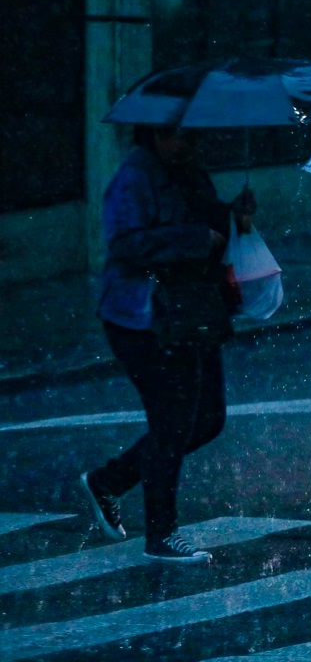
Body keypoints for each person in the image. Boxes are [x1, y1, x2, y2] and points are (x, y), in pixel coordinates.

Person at [80, 125, 255, 563]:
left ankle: (108, 481)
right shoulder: (134, 178)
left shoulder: (189, 171)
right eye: (177, 135)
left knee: (208, 419)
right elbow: (124, 244)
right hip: (143, 318)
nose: (189, 144)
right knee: (173, 423)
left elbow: (207, 223)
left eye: (194, 136)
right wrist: (194, 240)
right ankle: (161, 533)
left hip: (192, 311)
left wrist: (234, 216)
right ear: (153, 135)